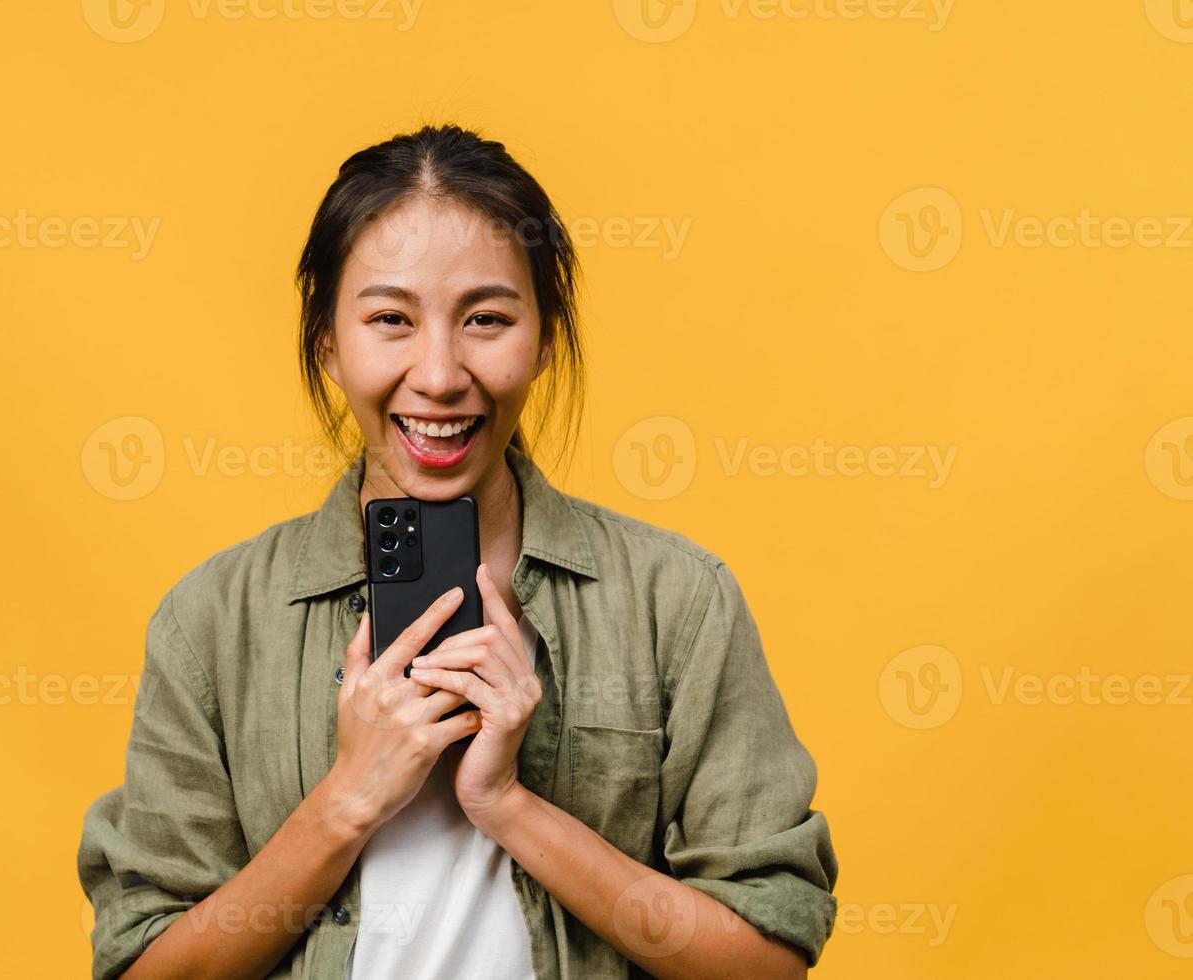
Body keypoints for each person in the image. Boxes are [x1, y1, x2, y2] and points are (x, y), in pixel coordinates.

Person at [77, 123, 838, 980]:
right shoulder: (212, 620)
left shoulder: (677, 602)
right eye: (390, 320)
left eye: (485, 318)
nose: (439, 374)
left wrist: (507, 805)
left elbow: (766, 965)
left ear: (546, 337)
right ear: (328, 341)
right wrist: (348, 800)